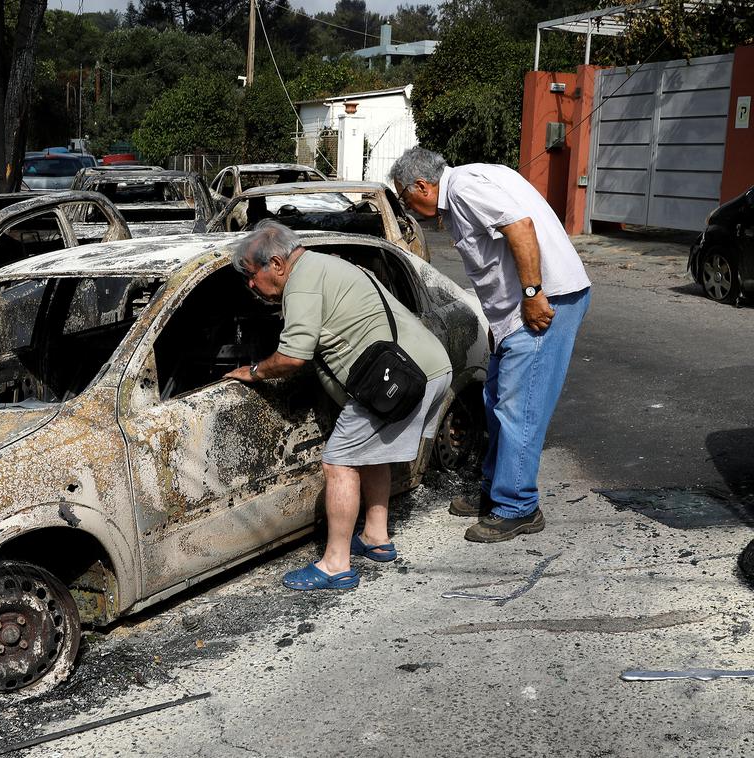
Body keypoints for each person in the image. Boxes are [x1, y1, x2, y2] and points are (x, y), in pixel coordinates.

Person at [224, 221, 452, 590]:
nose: (251, 285)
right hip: (424, 368)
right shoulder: (325, 264)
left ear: (277, 264)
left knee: (339, 461)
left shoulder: (302, 284)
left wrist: (254, 371)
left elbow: (292, 357)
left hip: (397, 381)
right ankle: (376, 537)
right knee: (369, 455)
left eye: (252, 275)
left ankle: (335, 564)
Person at [388, 146, 591, 543]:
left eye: (403, 195)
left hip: (546, 301)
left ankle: (518, 507)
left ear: (422, 186)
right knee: (496, 399)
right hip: (517, 311)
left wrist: (533, 293)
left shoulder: (464, 188)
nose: (404, 205)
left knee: (520, 407)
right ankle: (497, 490)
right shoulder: (465, 185)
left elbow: (521, 227)